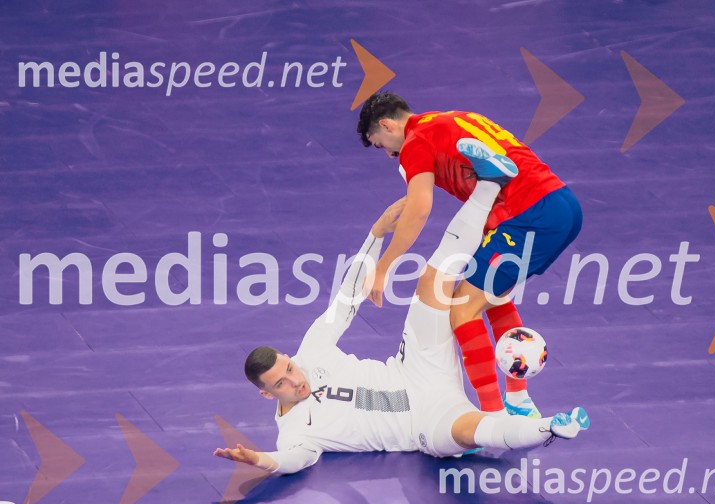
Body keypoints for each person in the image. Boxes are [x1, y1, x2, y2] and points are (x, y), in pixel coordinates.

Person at [214, 143, 589, 474]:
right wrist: (260, 459)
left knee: (432, 281)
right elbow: (290, 461)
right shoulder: (296, 432)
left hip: (414, 367)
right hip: (422, 423)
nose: (295, 379)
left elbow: (346, 299)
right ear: (267, 394)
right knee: (470, 431)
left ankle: (489, 182)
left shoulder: (310, 353)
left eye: (289, 368)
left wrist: (376, 233)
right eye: (281, 383)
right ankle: (550, 426)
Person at [356, 92, 583, 419]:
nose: (389, 153)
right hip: (561, 202)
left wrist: (383, 266)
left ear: (387, 125)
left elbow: (420, 208)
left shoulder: (414, 143)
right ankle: (518, 400)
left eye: (381, 145)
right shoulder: (451, 118)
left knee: (462, 308)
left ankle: (493, 415)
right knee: (492, 296)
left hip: (526, 215)